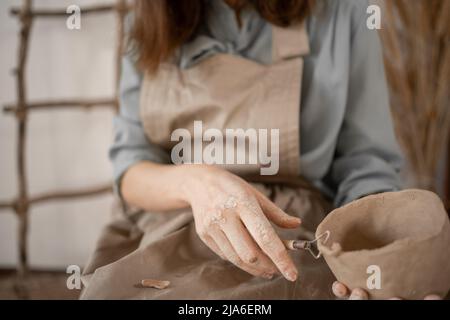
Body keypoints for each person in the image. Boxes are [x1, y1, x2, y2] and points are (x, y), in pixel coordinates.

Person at [81, 0, 433, 300]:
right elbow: (130, 168)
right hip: (170, 218)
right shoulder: (149, 18)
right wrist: (199, 183)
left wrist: (376, 258)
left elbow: (366, 164)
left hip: (297, 225)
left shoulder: (344, 11)